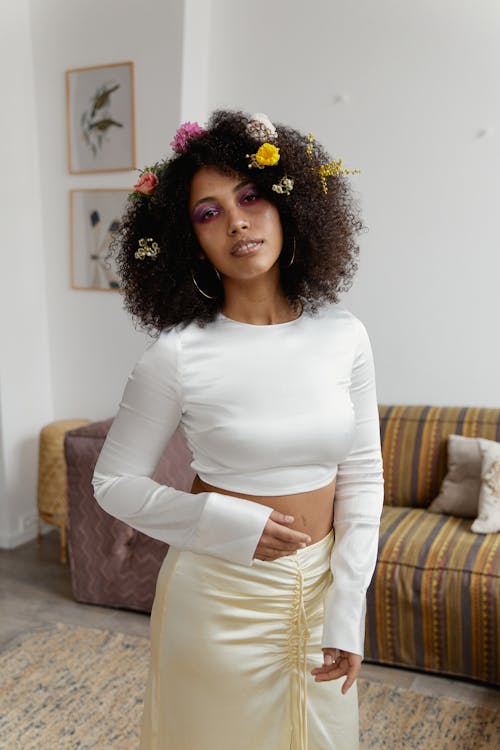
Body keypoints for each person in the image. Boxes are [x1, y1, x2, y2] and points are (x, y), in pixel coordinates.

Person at [92, 109, 384, 750]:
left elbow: (362, 473)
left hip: (322, 589)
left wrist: (347, 607)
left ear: (288, 206)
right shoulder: (175, 355)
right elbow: (112, 482)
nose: (237, 221)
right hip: (218, 599)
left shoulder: (345, 336)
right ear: (188, 238)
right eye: (208, 212)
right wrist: (225, 524)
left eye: (250, 197)